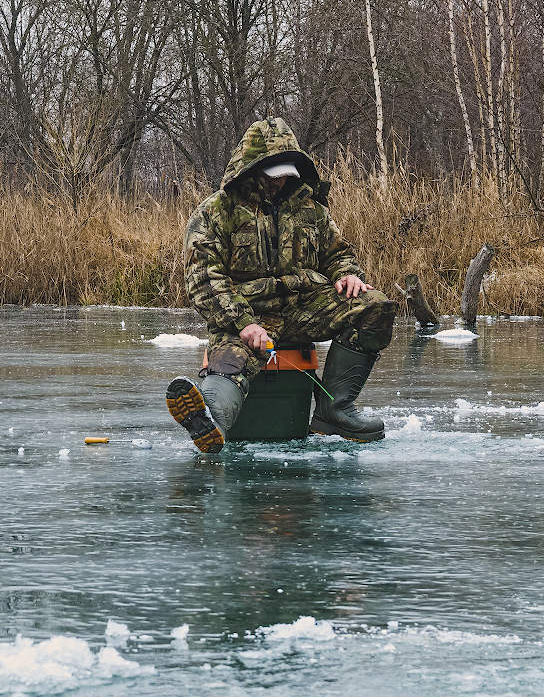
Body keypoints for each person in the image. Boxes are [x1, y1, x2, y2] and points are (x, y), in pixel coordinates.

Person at [166, 117, 396, 451]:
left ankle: (336, 409)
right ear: (251, 170)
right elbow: (203, 280)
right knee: (232, 364)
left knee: (374, 306)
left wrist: (347, 274)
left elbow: (337, 253)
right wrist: (244, 324)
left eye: (287, 173)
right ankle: (210, 421)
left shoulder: (310, 208)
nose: (282, 181)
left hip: (304, 307)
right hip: (247, 315)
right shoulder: (215, 212)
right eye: (274, 175)